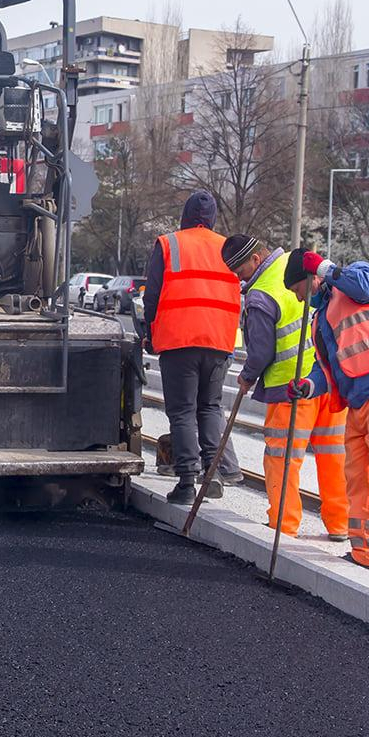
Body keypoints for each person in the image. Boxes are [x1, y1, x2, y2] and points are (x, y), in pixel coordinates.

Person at [222, 235, 348, 540]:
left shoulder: (261, 294)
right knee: (334, 456)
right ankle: (341, 523)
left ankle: (284, 522)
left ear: (254, 259)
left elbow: (262, 350)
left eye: (239, 270)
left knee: (282, 458)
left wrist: (247, 376)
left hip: (291, 388)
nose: (238, 278)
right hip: (327, 380)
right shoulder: (294, 263)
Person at [284, 249, 369, 573]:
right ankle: (367, 555)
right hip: (356, 405)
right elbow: (327, 367)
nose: (301, 300)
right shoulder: (321, 319)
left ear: (311, 278)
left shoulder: (357, 275)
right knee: (358, 483)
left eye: (299, 291)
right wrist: (309, 386)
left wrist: (326, 268)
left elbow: (367, 288)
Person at [143, 190, 242, 503]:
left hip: (179, 340)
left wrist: (150, 333)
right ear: (212, 219)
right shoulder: (228, 247)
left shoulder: (169, 243)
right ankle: (213, 476)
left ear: (184, 216)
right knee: (210, 406)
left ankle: (187, 481)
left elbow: (152, 296)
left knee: (182, 410)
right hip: (219, 341)